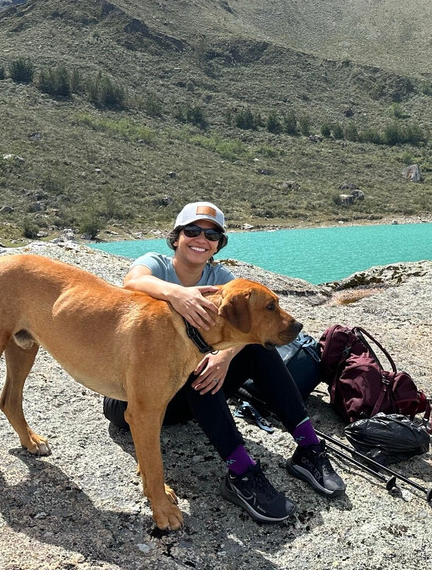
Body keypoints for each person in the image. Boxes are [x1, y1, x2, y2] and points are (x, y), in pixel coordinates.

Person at [102, 201, 344, 523]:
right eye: (192, 231)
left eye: (212, 234)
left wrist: (225, 357)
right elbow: (132, 283)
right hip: (133, 397)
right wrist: (178, 294)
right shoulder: (157, 265)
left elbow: (241, 328)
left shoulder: (222, 280)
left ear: (219, 244)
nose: (201, 239)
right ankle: (242, 473)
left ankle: (308, 449)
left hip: (183, 394)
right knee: (192, 364)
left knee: (259, 345)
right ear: (177, 237)